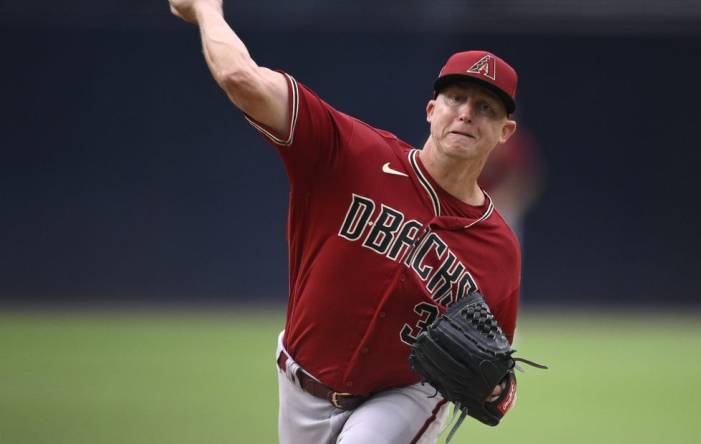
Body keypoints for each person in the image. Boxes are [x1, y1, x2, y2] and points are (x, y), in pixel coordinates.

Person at [170, 1, 524, 442]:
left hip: (402, 398)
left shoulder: (498, 247)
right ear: (432, 109)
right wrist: (206, 10)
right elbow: (241, 78)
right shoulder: (351, 153)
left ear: (505, 131)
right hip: (299, 384)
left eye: (486, 107)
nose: (467, 113)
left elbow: (496, 369)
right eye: (456, 97)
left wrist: (497, 389)